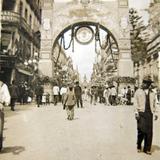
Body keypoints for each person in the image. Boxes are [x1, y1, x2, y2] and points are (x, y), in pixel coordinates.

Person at [134, 77, 158, 155]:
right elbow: (135, 103)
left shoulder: (153, 93)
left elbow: (155, 104)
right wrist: (136, 112)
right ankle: (138, 145)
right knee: (141, 130)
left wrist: (156, 113)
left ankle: (147, 148)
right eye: (144, 83)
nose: (145, 84)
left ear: (148, 84)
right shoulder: (138, 92)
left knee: (149, 132)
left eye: (147, 83)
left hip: (149, 113)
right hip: (141, 113)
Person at [0, 80, 11, 151]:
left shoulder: (2, 85)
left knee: (0, 128)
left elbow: (7, 97)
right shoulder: (3, 85)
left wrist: (4, 102)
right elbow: (7, 97)